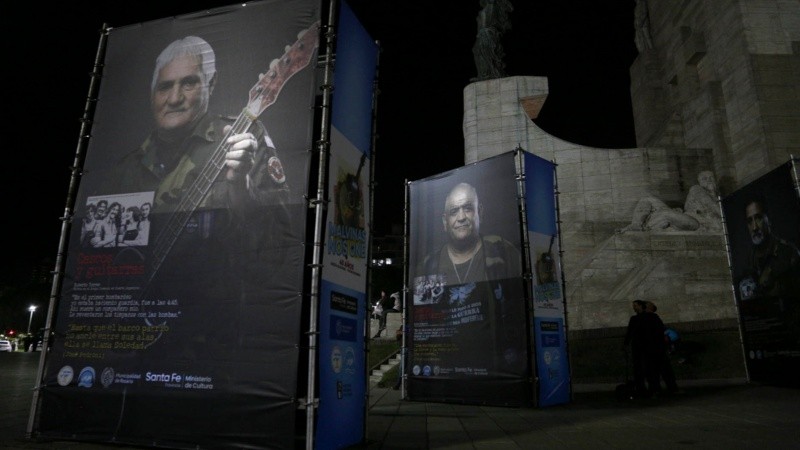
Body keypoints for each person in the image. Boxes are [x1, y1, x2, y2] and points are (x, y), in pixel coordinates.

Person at [89, 35, 292, 356]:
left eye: (189, 83)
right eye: (164, 86)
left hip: (209, 348)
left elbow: (273, 259)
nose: (174, 98)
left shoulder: (243, 137)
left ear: (210, 85)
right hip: (125, 348)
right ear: (151, 94)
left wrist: (241, 189)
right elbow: (96, 266)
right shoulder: (123, 172)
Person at [417, 182, 524, 371]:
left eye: (468, 208)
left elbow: (523, 309)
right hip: (446, 375)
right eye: (454, 211)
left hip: (497, 374)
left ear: (480, 212)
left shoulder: (503, 252)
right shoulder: (429, 265)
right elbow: (425, 323)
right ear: (444, 221)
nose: (461, 217)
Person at [738, 196, 800, 302]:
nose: (754, 227)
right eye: (750, 221)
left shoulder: (789, 254)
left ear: (768, 219)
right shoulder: (747, 262)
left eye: (758, 218)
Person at [623, 299, 667, 398]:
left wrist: (626, 343)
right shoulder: (647, 318)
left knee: (647, 369)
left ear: (640, 306)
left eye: (635, 305)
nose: (634, 307)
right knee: (644, 369)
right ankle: (649, 389)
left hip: (646, 347)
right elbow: (630, 332)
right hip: (644, 347)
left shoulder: (646, 318)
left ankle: (649, 389)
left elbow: (630, 333)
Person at [472, 0, 514, 81]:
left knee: (486, 51)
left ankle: (490, 73)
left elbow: (506, 23)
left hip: (488, 34)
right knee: (476, 51)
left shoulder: (493, 7)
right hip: (481, 34)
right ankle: (482, 74)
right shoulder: (482, 11)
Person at [645, 301, 680, 394]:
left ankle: (656, 390)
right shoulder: (654, 318)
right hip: (658, 349)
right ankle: (670, 388)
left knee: (655, 371)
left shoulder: (651, 318)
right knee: (664, 370)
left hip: (654, 349)